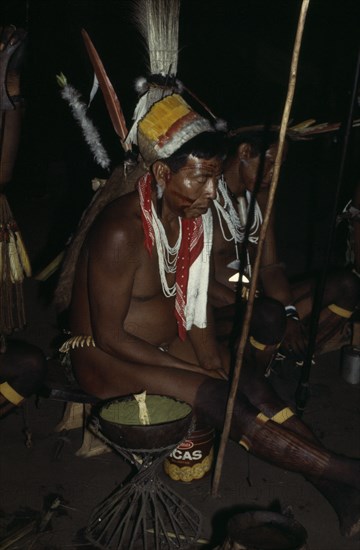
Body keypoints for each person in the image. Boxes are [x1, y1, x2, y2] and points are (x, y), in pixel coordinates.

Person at [57, 92, 360, 538]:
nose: (211, 192)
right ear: (162, 172)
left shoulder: (190, 220)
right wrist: (187, 369)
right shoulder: (121, 230)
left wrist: (210, 355)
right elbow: (109, 336)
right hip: (104, 357)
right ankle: (350, 472)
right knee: (220, 397)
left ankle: (338, 488)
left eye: (215, 179)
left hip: (162, 344)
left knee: (246, 381)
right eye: (200, 179)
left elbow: (193, 304)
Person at [210, 126, 360, 376]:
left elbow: (270, 267)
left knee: (347, 285)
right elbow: (200, 287)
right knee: (269, 315)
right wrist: (257, 306)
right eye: (270, 163)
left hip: (261, 306)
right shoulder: (205, 198)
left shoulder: (261, 198)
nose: (273, 174)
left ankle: (279, 353)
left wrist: (289, 314)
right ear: (245, 151)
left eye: (280, 166)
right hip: (218, 317)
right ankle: (253, 375)